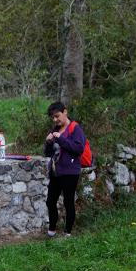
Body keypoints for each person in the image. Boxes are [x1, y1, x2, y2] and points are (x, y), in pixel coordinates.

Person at [44, 101, 86, 237]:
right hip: (56, 172)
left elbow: (78, 148)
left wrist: (61, 138)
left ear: (65, 112)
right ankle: (52, 230)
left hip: (70, 172)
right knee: (50, 201)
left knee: (68, 202)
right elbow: (47, 153)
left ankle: (67, 233)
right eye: (53, 118)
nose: (55, 120)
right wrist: (48, 142)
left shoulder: (75, 128)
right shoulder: (54, 129)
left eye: (57, 116)